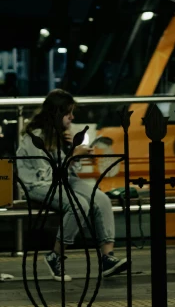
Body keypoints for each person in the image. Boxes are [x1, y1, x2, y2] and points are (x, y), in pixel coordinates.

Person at [16, 88, 129, 281]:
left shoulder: (59, 134)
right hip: (38, 184)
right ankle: (55, 255)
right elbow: (47, 175)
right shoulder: (35, 138)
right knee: (79, 205)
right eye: (68, 113)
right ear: (57, 113)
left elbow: (65, 169)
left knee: (100, 198)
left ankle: (107, 258)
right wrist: (72, 154)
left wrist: (72, 151)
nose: (72, 117)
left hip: (63, 180)